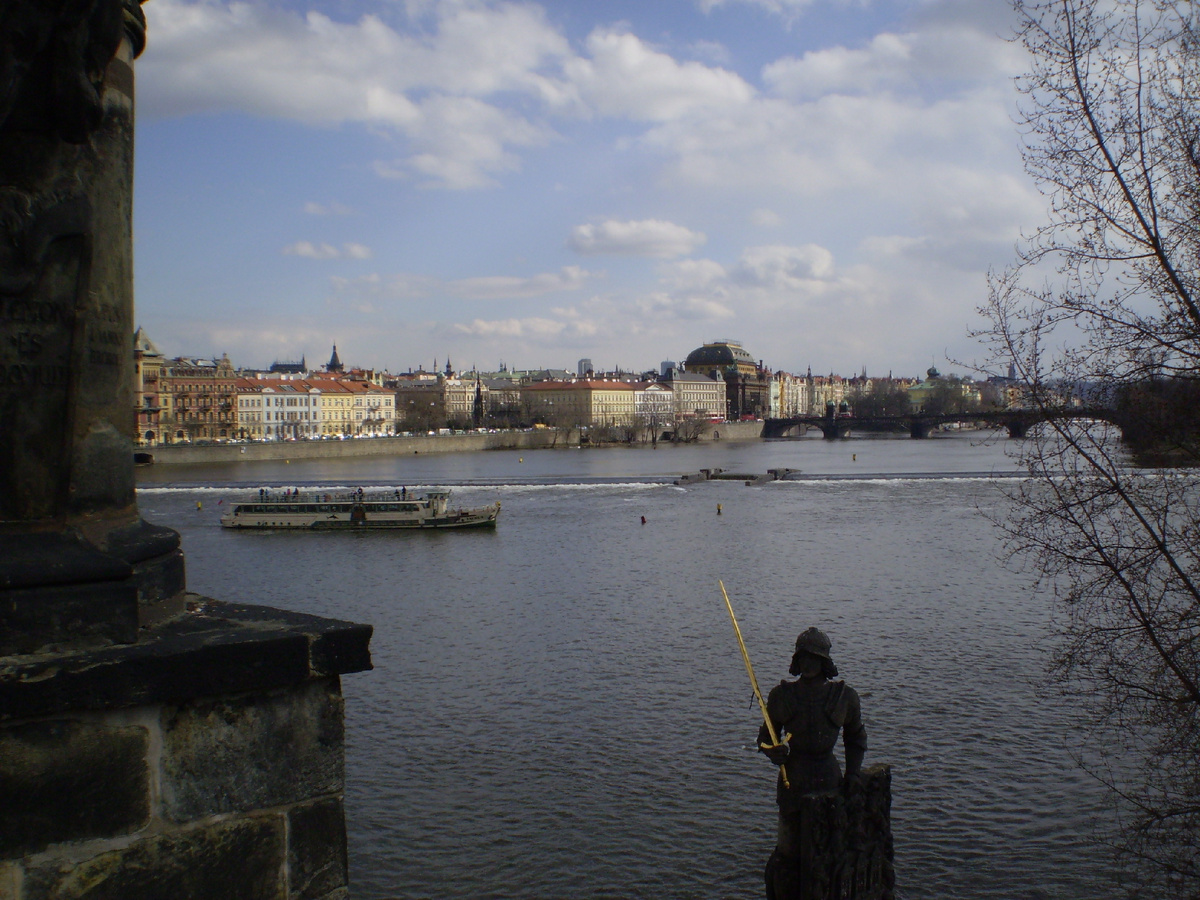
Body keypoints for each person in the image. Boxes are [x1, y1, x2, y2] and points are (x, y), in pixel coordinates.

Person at [758, 627, 867, 897]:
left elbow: (855, 737)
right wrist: (774, 751)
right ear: (797, 661)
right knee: (788, 855)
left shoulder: (844, 697)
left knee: (828, 853)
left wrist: (853, 775)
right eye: (803, 659)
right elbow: (764, 738)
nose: (807, 664)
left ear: (824, 663)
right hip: (792, 781)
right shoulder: (782, 696)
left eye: (814, 659)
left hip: (830, 781)